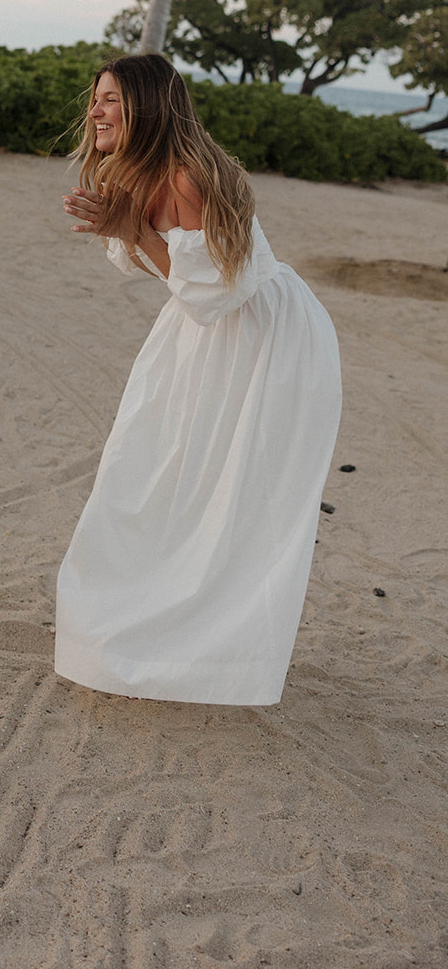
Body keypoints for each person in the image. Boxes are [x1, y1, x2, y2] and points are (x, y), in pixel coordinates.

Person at [55, 54, 341, 707]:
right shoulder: (139, 172)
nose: (94, 111)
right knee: (152, 472)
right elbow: (177, 276)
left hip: (265, 339)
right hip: (207, 332)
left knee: (229, 494)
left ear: (147, 107)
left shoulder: (185, 177)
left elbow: (214, 290)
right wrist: (127, 227)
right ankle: (146, 637)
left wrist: (131, 228)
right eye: (95, 99)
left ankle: (209, 656)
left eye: (110, 99)